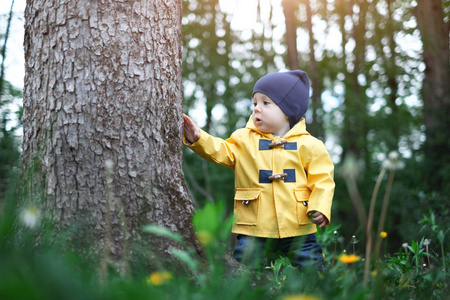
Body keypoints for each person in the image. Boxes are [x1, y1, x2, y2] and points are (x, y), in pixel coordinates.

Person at [183, 70, 335, 270]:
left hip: (298, 225)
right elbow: (222, 151)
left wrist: (321, 208)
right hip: (254, 225)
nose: (257, 109)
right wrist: (199, 139)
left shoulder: (310, 145)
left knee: (312, 266)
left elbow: (323, 180)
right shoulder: (243, 138)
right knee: (245, 267)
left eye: (266, 103)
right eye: (254, 103)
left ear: (288, 109)